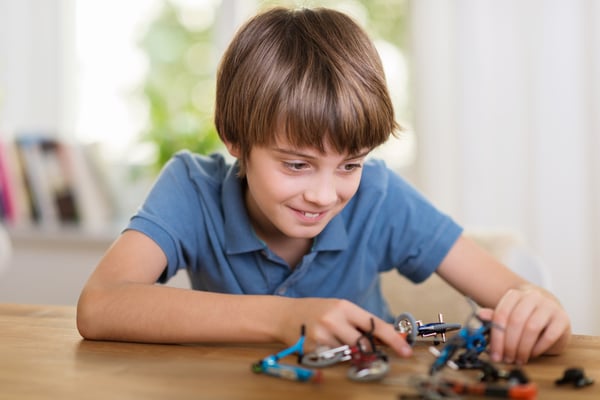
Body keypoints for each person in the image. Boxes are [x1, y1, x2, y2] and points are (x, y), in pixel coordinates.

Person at [77, 6, 571, 365]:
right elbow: (99, 306)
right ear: (235, 139)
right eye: (296, 165)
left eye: (349, 165)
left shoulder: (379, 196)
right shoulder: (191, 188)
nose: (324, 194)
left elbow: (520, 294)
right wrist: (284, 319)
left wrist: (540, 310)